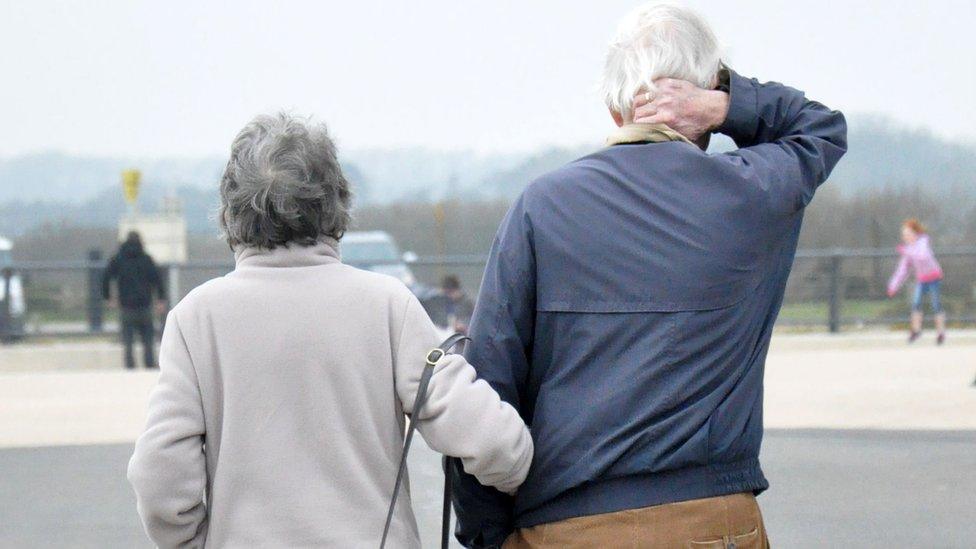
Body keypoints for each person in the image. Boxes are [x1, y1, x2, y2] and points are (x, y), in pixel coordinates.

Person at [450, 3, 846, 548]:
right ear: (701, 100)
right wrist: (724, 102)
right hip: (713, 521)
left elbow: (489, 387)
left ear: (617, 109)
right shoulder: (752, 193)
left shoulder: (541, 206)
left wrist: (486, 535)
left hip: (566, 525)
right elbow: (818, 127)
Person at [126, 113, 533, 548]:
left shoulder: (196, 319)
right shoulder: (388, 306)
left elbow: (159, 478)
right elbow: (496, 443)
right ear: (337, 200)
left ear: (230, 209)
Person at [102, 231, 166, 369]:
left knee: (128, 341)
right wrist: (160, 299)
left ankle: (130, 367)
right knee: (148, 340)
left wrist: (108, 297)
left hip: (126, 306)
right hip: (145, 305)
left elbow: (106, 277)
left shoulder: (118, 259)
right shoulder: (147, 259)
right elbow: (158, 280)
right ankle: (149, 365)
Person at [886, 218, 946, 344]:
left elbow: (923, 256)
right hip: (922, 279)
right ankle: (916, 331)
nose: (906, 237)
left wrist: (907, 251)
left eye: (908, 234)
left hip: (934, 277)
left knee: (936, 305)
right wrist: (893, 286)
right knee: (916, 304)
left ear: (915, 233)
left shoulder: (923, 242)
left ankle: (940, 333)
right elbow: (902, 270)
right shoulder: (908, 250)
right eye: (904, 235)